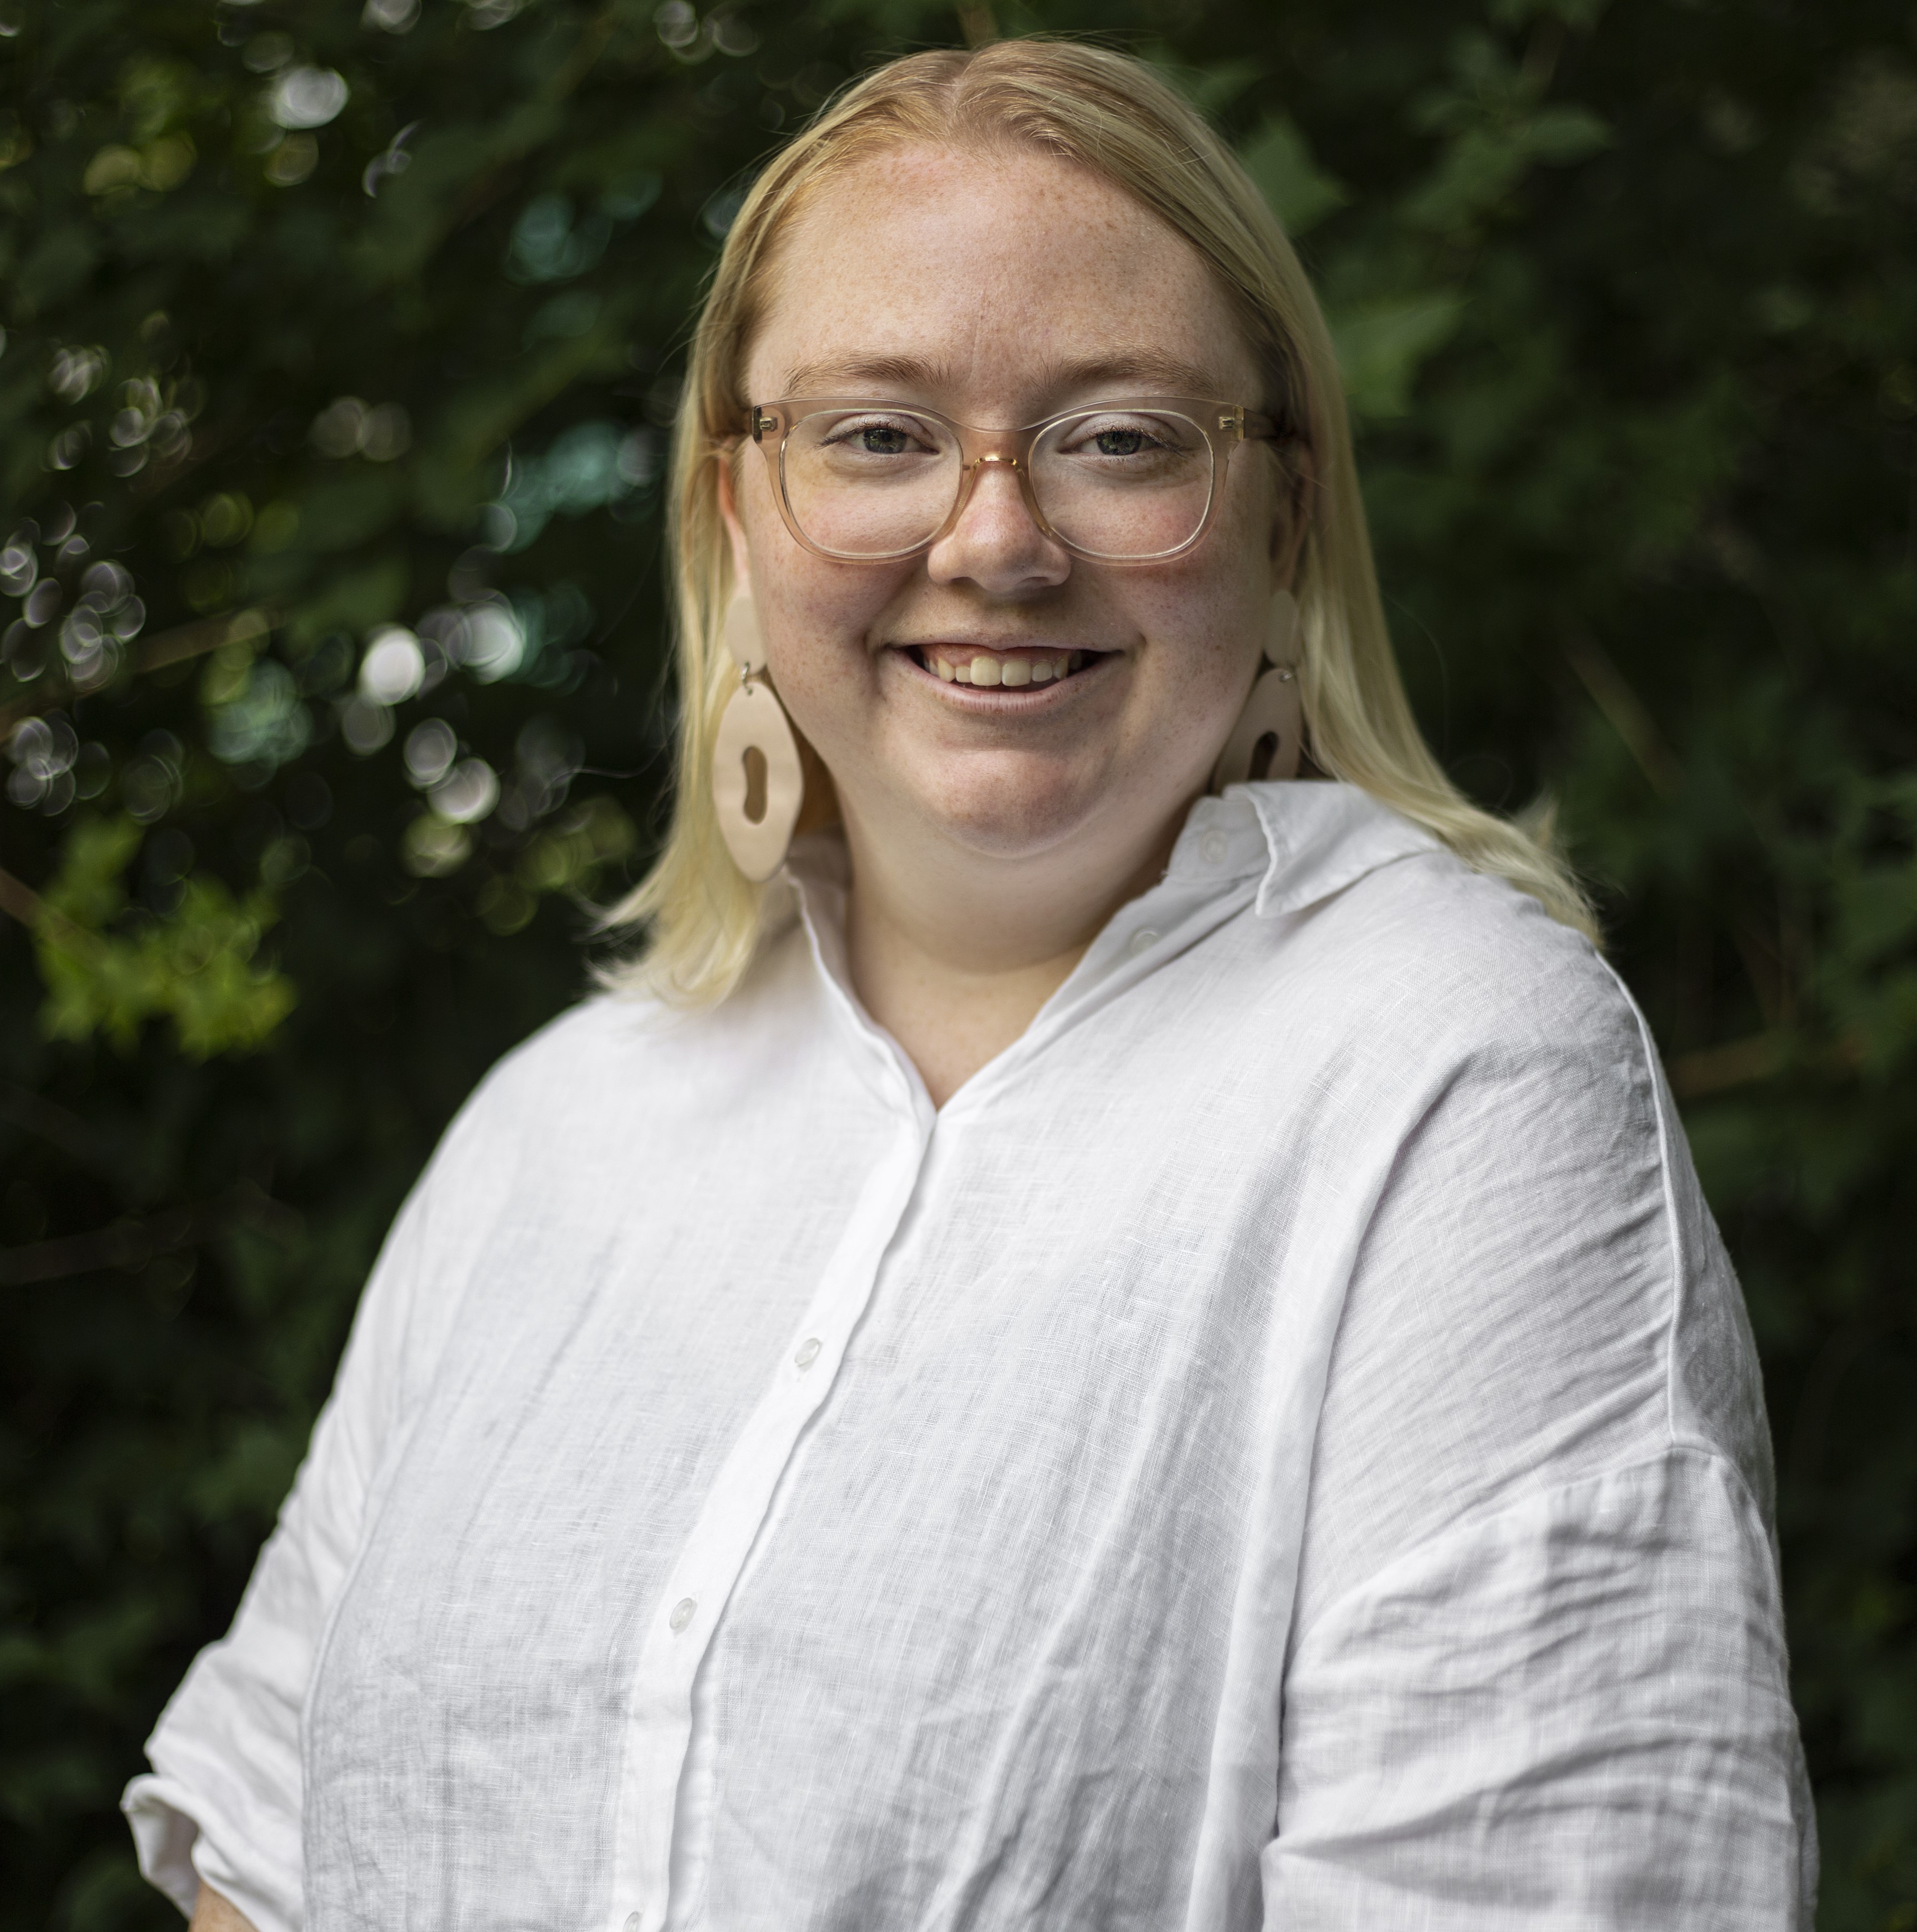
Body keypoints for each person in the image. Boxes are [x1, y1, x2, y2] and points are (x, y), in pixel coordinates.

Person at [124, 38, 1815, 1932]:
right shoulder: (554, 1129)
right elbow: (259, 1866)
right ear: (733, 511)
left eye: (1119, 437)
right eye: (875, 434)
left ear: (1279, 509)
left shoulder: (1459, 1068)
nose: (995, 540)